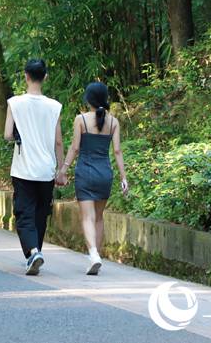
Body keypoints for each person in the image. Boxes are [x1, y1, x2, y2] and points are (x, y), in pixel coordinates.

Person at [56, 81, 129, 275]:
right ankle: (95, 256)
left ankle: (94, 255)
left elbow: (75, 148)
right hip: (105, 173)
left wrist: (63, 169)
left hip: (85, 173)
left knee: (87, 217)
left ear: (88, 100)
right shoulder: (114, 122)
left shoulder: (80, 119)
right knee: (99, 217)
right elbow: (117, 151)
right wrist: (124, 177)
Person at [3, 59, 64, 276]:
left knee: (24, 213)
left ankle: (33, 252)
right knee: (40, 212)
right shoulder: (55, 106)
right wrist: (62, 169)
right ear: (45, 77)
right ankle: (34, 253)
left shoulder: (15, 103)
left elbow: (8, 135)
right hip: (46, 169)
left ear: (26, 76)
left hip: (23, 169)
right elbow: (58, 141)